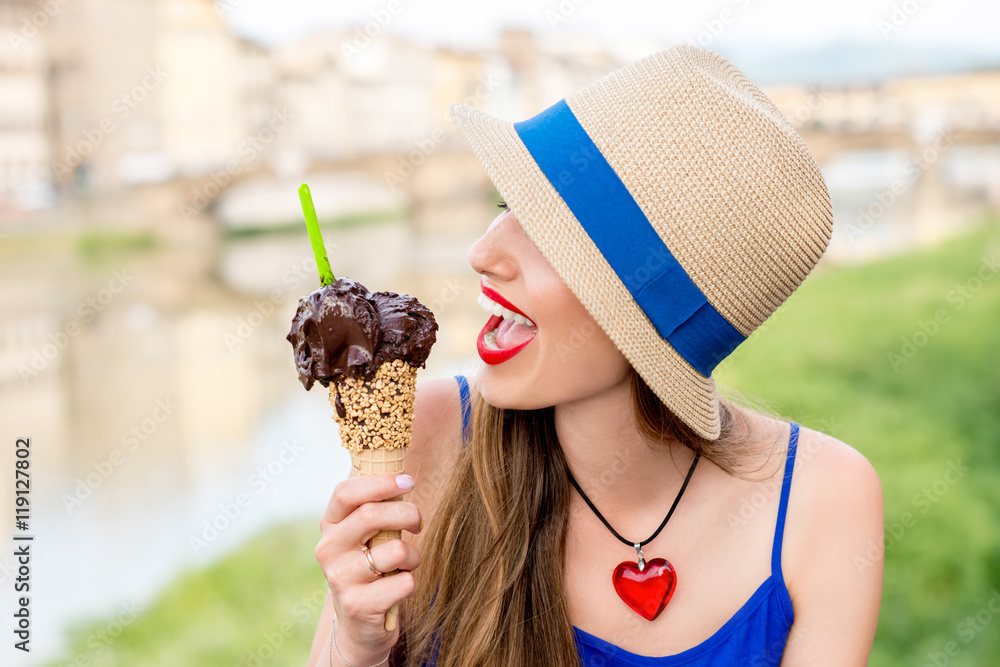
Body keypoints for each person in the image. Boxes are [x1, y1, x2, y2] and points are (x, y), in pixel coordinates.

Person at [308, 45, 884, 667]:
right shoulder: (430, 435)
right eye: (508, 207)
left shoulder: (823, 497)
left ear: (648, 315)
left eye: (554, 234)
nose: (482, 252)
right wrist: (355, 646)